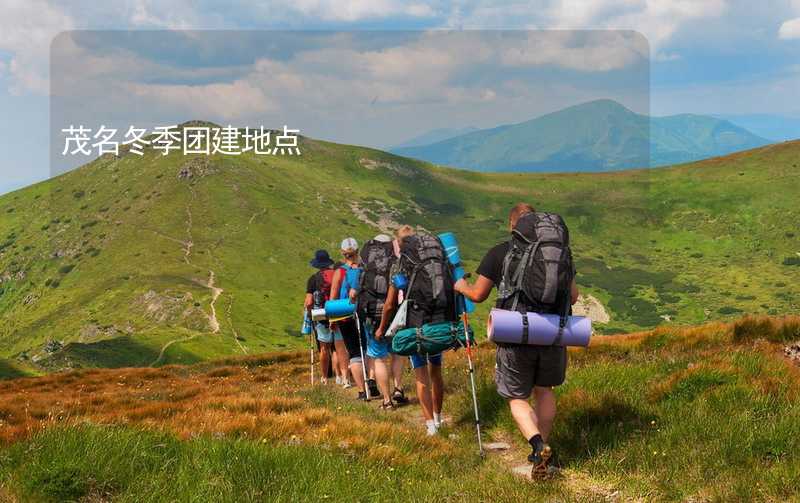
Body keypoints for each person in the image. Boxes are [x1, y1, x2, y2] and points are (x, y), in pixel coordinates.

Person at [454, 203, 579, 472]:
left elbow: (478, 295)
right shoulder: (559, 253)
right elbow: (573, 296)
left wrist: (461, 286)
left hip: (515, 332)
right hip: (551, 332)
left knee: (516, 397)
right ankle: (542, 453)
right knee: (544, 391)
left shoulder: (500, 251)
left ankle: (536, 445)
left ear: (513, 226)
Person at [377, 230, 455, 435]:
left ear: (399, 244)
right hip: (437, 318)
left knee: (421, 374)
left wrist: (382, 328)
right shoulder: (435, 258)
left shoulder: (400, 264)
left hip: (414, 323)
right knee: (436, 371)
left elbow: (389, 303)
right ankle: (438, 418)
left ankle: (430, 426)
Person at [303, 249, 344, 384]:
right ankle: (339, 376)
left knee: (324, 347)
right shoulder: (337, 275)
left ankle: (325, 377)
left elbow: (309, 302)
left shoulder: (313, 279)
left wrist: (309, 313)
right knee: (337, 347)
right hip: (338, 313)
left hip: (321, 316)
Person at [330, 238, 364, 395]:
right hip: (364, 313)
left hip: (344, 314)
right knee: (365, 347)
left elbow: (333, 297)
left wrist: (332, 319)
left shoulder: (340, 271)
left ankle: (350, 381)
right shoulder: (364, 269)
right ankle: (370, 379)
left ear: (343, 253)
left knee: (347, 349)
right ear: (357, 251)